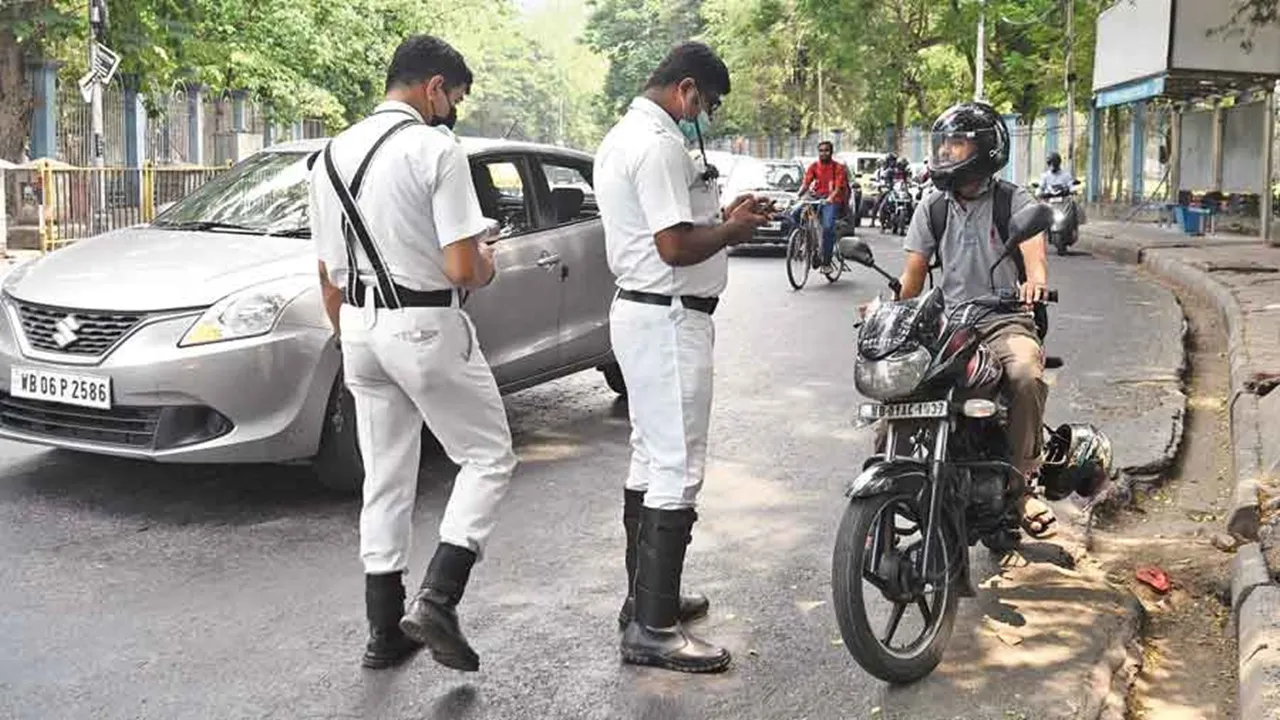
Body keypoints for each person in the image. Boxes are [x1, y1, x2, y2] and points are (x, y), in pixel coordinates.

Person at [309, 34, 518, 673]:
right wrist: (487, 261)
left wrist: (353, 336)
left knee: (387, 478)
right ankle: (439, 596)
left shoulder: (328, 156)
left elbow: (326, 270)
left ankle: (382, 632)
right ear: (433, 88)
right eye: (453, 97)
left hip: (359, 326)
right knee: (488, 457)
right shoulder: (435, 148)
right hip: (426, 325)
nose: (451, 109)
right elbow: (460, 265)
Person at [593, 41, 770, 675]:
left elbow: (663, 229)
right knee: (677, 465)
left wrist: (720, 219)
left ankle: (644, 600)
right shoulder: (662, 143)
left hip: (641, 313)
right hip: (668, 317)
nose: (707, 116)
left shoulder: (623, 137)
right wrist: (732, 230)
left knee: (649, 456)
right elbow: (673, 246)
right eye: (709, 104)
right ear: (687, 90)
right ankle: (654, 627)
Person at [896, 101, 1056, 538]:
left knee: (1024, 374)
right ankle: (890, 476)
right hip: (947, 323)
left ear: (984, 149)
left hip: (1003, 318)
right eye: (943, 144)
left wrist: (1034, 282)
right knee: (899, 381)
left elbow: (1034, 254)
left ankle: (1022, 486)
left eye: (958, 143)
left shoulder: (1012, 200)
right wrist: (893, 312)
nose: (947, 152)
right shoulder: (932, 207)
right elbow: (913, 278)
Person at [792, 141, 849, 269]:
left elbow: (839, 188)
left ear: (831, 152)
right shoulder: (814, 166)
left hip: (832, 200)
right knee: (795, 213)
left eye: (826, 150)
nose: (823, 153)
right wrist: (798, 195)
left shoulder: (838, 168)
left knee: (828, 227)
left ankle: (826, 262)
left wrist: (830, 198)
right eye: (821, 150)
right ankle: (806, 239)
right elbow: (806, 184)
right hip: (817, 197)